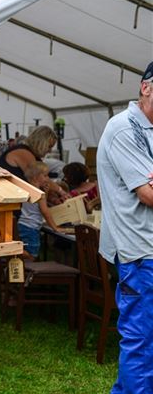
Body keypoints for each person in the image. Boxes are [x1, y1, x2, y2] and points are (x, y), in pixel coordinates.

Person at [97, 61, 153, 394]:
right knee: (142, 342)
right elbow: (148, 193)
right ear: (146, 87)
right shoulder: (123, 129)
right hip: (141, 254)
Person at [0, 126, 70, 204]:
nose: (50, 151)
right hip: (6, 200)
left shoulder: (31, 155)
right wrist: (61, 191)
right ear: (42, 143)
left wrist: (53, 198)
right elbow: (40, 178)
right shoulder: (24, 153)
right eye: (49, 146)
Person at [16, 162, 61, 259]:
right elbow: (45, 211)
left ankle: (15, 254)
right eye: (45, 175)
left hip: (23, 224)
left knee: (27, 249)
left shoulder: (28, 189)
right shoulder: (39, 194)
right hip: (31, 228)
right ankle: (13, 253)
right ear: (36, 177)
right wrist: (55, 227)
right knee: (32, 254)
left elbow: (36, 207)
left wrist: (46, 193)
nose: (48, 178)